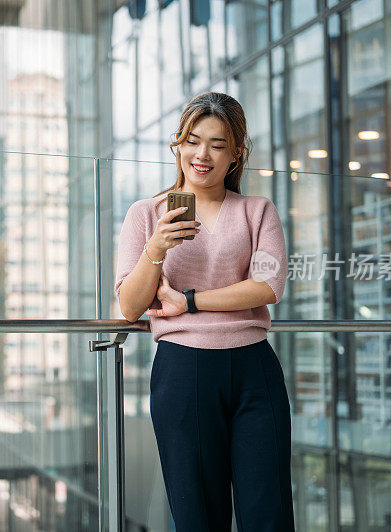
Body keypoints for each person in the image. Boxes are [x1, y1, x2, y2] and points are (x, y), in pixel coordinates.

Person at [113, 92, 295, 531]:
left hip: (255, 369)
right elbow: (128, 306)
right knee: (197, 515)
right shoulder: (146, 214)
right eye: (193, 140)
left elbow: (269, 286)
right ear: (177, 142)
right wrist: (155, 248)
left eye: (218, 144)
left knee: (268, 512)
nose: (203, 155)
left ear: (236, 154)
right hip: (183, 370)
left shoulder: (257, 211)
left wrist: (189, 301)